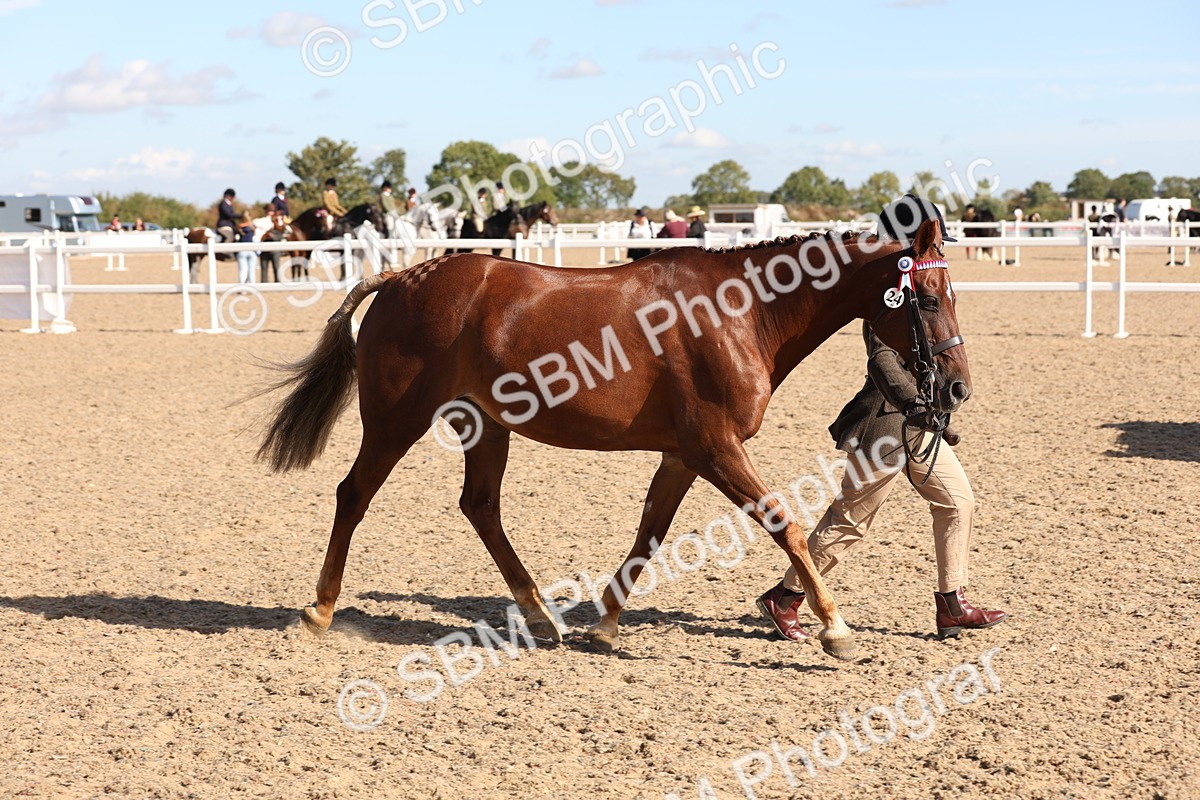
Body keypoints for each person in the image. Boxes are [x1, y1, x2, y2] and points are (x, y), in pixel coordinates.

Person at [756, 320, 1008, 641]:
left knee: (958, 502)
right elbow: (882, 359)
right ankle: (784, 598)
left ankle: (952, 604)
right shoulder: (888, 300)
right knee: (850, 523)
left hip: (925, 424)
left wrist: (941, 406)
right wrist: (912, 402)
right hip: (886, 425)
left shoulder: (931, 302)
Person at [235, 213, 259, 285]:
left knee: (242, 271)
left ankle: (242, 288)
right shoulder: (252, 226)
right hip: (252, 251)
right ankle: (252, 287)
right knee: (252, 271)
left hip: (242, 251)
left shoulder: (239, 227)